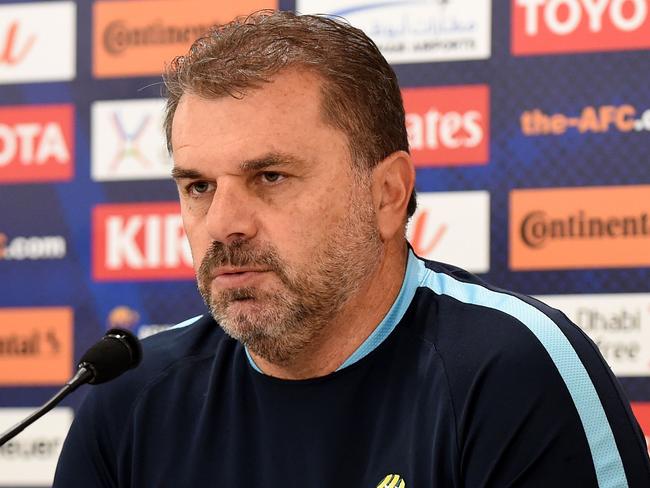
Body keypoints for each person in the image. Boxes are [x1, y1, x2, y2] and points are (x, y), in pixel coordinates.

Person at [54, 10, 650, 487]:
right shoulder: (127, 399)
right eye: (198, 186)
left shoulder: (513, 370)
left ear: (388, 194)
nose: (223, 224)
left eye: (270, 177)